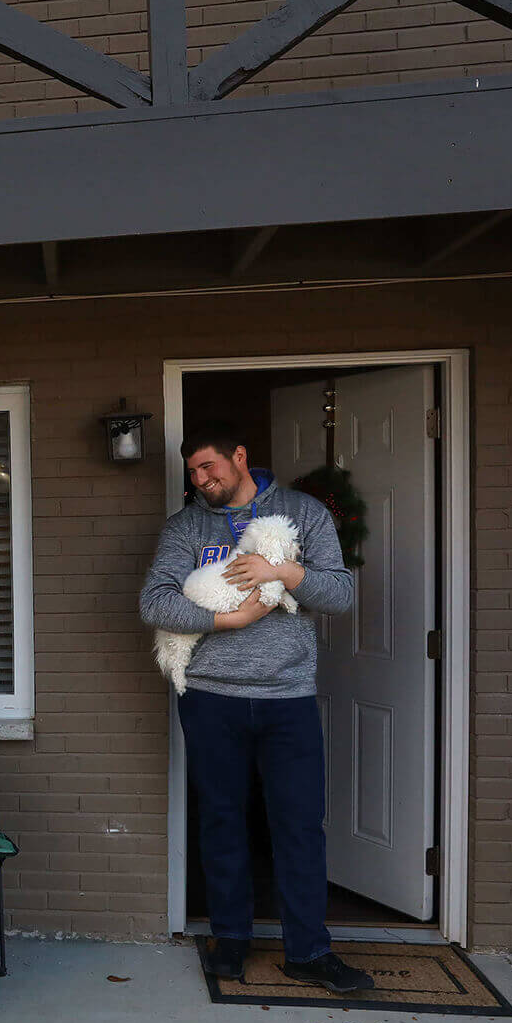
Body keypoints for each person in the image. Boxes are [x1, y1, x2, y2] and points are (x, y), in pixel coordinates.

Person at [139, 421, 372, 993]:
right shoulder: (186, 526)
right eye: (193, 471)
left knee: (298, 824)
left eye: (209, 466)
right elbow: (155, 600)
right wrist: (230, 619)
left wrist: (282, 572)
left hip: (286, 696)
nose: (201, 479)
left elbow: (339, 593)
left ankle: (309, 951)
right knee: (221, 820)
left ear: (239, 456)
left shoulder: (301, 514)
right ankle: (231, 940)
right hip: (211, 697)